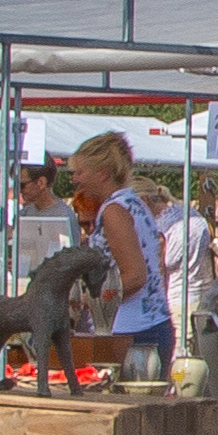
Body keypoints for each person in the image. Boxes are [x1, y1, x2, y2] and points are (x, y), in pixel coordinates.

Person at [63, 135, 170, 384]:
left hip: (130, 332)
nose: (74, 179)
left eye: (80, 172)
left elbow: (135, 276)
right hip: (150, 325)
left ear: (102, 173)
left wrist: (90, 300)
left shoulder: (114, 211)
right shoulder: (134, 202)